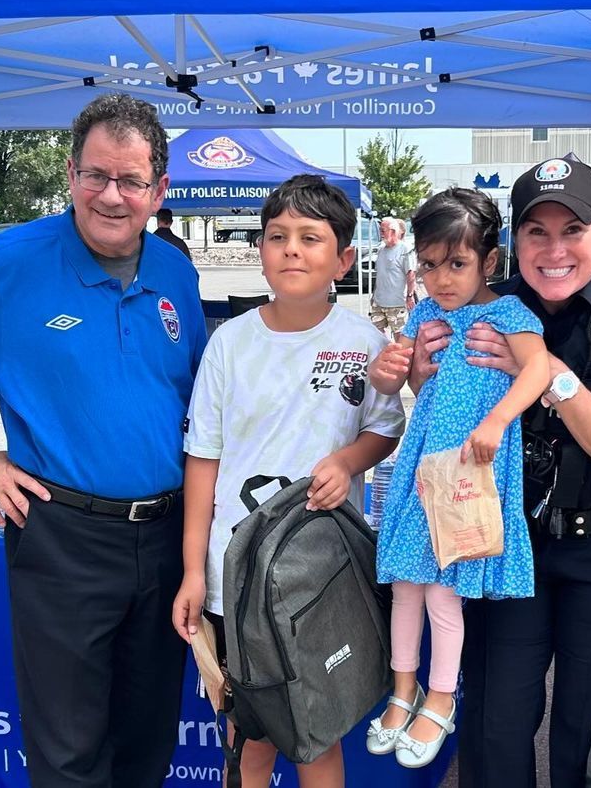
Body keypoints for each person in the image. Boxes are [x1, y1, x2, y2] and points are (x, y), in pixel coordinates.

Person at [0, 93, 206, 788]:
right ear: (70, 173)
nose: (112, 196)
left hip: (171, 534)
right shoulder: (10, 265)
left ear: (160, 191)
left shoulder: (176, 270)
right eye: (97, 175)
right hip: (64, 537)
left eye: (131, 181)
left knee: (148, 741)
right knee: (69, 754)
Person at [406, 157, 591, 787]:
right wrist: (417, 369)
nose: (555, 249)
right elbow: (425, 390)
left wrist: (547, 376)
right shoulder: (489, 308)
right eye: (537, 231)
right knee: (494, 724)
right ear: (512, 243)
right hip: (510, 541)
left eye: (573, 229)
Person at [172, 173, 406, 788]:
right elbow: (204, 460)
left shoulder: (364, 343)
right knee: (247, 736)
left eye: (310, 237)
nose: (292, 249)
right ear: (260, 251)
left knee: (315, 734)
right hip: (236, 579)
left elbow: (386, 429)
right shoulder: (229, 343)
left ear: (344, 258)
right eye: (277, 236)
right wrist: (195, 570)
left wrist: (349, 461)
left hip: (320, 580)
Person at [366, 188, 549, 768]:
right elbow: (404, 384)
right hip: (424, 471)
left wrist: (498, 419)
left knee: (445, 595)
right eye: (429, 264)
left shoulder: (509, 315)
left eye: (457, 263)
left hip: (471, 474)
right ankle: (403, 691)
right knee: (404, 586)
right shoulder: (425, 315)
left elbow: (539, 369)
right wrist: (392, 372)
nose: (441, 278)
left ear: (489, 262)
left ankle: (440, 698)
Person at [369, 216, 416, 338]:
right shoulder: (381, 250)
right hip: (379, 303)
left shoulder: (404, 249)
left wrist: (410, 296)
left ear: (393, 231)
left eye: (383, 230)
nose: (381, 234)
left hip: (397, 303)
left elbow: (411, 274)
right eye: (380, 230)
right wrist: (374, 296)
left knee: (400, 337)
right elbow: (380, 275)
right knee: (377, 336)